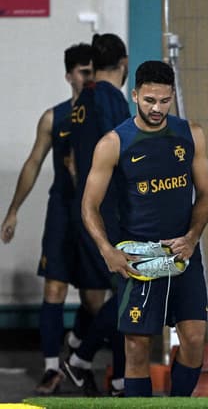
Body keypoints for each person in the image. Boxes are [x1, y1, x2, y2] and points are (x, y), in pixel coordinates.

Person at [81, 60, 208, 397]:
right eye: (150, 100)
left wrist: (192, 237)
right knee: (137, 348)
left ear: (172, 98)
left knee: (196, 339)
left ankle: (179, 404)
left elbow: (207, 196)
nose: (157, 108)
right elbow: (89, 206)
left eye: (164, 101)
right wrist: (107, 250)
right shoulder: (113, 143)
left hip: (183, 255)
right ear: (135, 95)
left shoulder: (191, 134)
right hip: (138, 260)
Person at [0, 43, 95, 395]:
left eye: (92, 71)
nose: (87, 78)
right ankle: (52, 367)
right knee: (54, 289)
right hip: (62, 212)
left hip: (94, 215)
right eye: (82, 72)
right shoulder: (54, 118)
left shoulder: (106, 114)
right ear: (69, 75)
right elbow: (33, 163)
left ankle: (78, 346)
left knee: (93, 299)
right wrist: (13, 211)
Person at [59, 33, 129, 397]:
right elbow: (126, 152)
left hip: (83, 209)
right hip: (108, 210)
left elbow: (73, 159)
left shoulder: (82, 100)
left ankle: (115, 379)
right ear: (125, 64)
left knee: (115, 292)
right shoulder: (110, 99)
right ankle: (82, 356)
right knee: (128, 288)